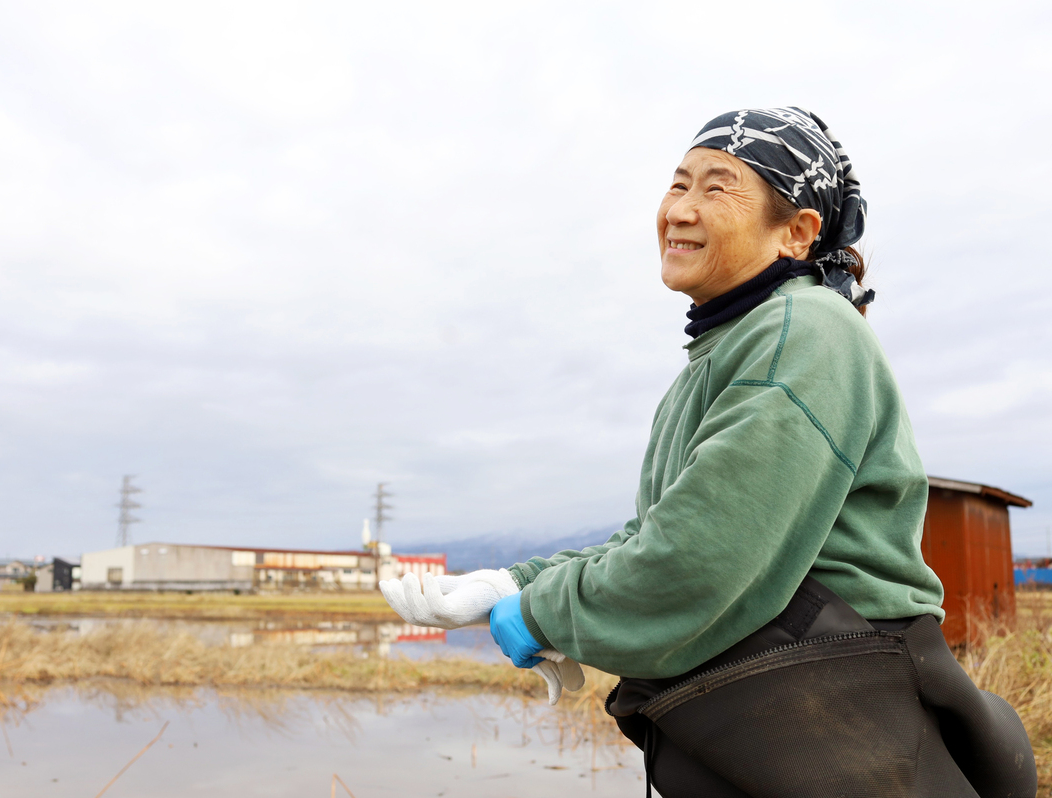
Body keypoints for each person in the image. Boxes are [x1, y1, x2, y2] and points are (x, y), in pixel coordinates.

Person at [381, 107, 1036, 797]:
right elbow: (656, 532)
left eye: (717, 187)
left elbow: (697, 559)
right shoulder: (722, 353)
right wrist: (512, 584)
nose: (679, 210)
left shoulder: (804, 330)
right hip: (787, 721)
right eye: (678, 184)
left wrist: (540, 612)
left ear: (796, 233)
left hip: (837, 704)